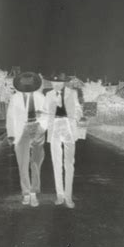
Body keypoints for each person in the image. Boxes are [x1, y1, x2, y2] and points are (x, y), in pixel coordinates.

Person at [6, 71, 47, 207]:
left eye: (30, 85)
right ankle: (26, 193)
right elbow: (10, 117)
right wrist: (11, 134)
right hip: (21, 131)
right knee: (22, 163)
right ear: (20, 85)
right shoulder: (15, 98)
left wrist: (42, 125)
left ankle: (34, 193)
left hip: (37, 129)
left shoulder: (41, 97)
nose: (27, 88)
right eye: (25, 85)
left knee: (36, 162)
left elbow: (47, 115)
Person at [44, 72, 83, 208]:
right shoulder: (48, 95)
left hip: (68, 128)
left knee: (69, 164)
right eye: (54, 83)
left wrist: (75, 118)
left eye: (59, 83)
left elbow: (78, 108)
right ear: (51, 83)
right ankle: (59, 195)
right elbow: (44, 112)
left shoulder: (72, 93)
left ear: (64, 83)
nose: (56, 85)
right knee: (56, 163)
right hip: (54, 128)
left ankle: (68, 196)